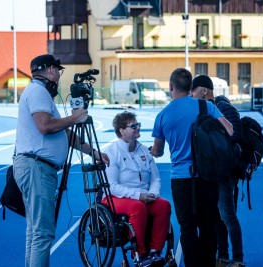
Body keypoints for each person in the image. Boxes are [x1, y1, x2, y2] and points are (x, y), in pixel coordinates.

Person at [13, 54, 109, 267]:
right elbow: (45, 126)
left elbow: (64, 133)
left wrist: (91, 151)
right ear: (49, 70)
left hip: (36, 166)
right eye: (58, 70)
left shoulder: (40, 93)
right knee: (43, 234)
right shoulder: (38, 92)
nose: (59, 75)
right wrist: (75, 118)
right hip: (36, 167)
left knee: (35, 232)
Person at [150, 68, 233, 267]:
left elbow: (158, 151)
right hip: (207, 175)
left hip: (180, 178)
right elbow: (229, 130)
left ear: (171, 86)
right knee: (208, 225)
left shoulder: (162, 115)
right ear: (190, 87)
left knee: (187, 227)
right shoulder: (205, 107)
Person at [101, 111, 171, 266]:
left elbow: (155, 178)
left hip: (142, 196)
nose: (138, 128)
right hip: (115, 198)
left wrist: (152, 193)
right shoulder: (111, 151)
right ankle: (139, 254)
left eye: (138, 124)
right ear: (121, 130)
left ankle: (155, 252)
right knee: (138, 208)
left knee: (163, 205)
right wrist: (138, 195)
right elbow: (112, 186)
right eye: (134, 126)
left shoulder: (145, 150)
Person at [191, 75, 245, 267]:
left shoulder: (224, 108)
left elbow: (234, 135)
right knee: (216, 218)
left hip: (225, 173)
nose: (191, 96)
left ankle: (238, 259)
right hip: (209, 173)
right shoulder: (201, 110)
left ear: (204, 91)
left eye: (194, 92)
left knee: (228, 217)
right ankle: (222, 257)